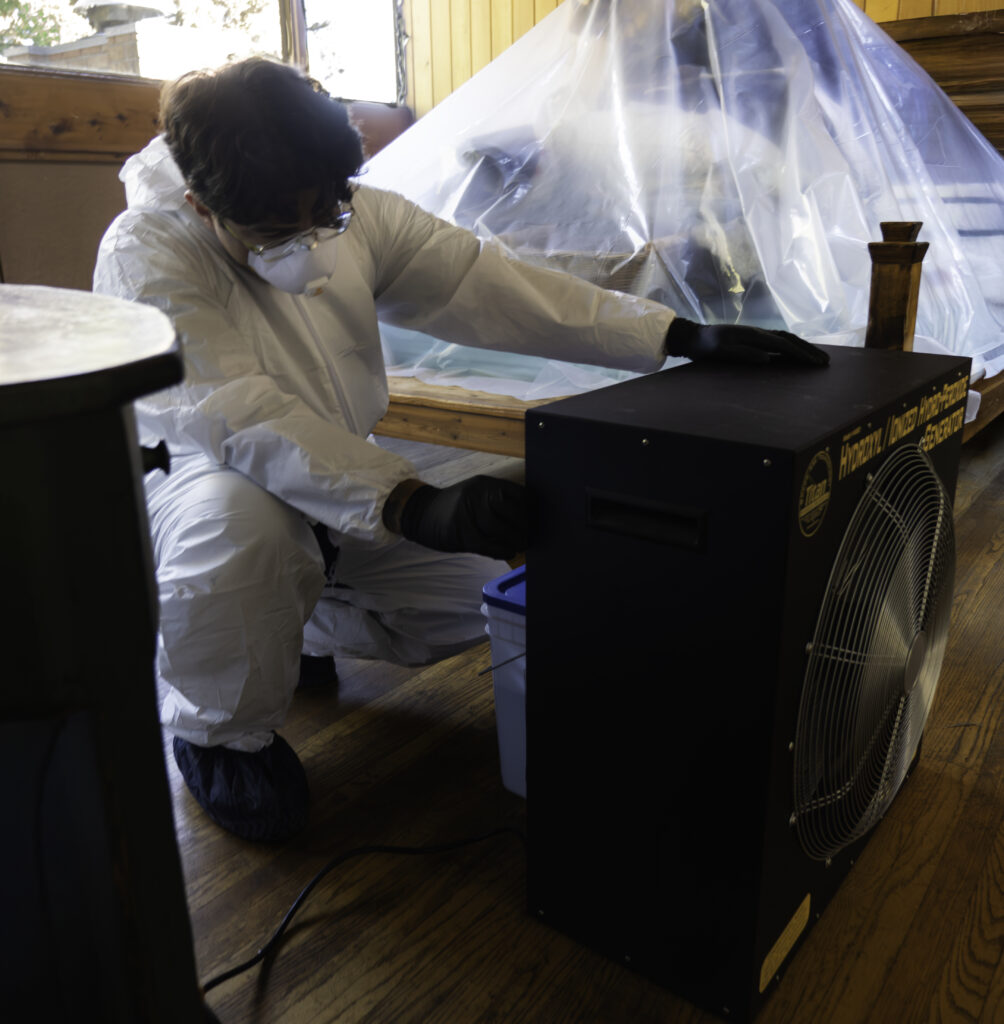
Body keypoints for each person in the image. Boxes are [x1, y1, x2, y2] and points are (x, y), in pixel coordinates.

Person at [94, 56, 827, 843]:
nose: (310, 243)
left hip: (342, 470)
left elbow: (491, 284)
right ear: (204, 205)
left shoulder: (356, 213)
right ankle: (218, 735)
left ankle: (298, 626)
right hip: (207, 480)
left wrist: (675, 333)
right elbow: (236, 414)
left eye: (326, 214)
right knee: (246, 531)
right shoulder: (147, 251)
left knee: (492, 595)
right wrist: (411, 502)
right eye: (277, 230)